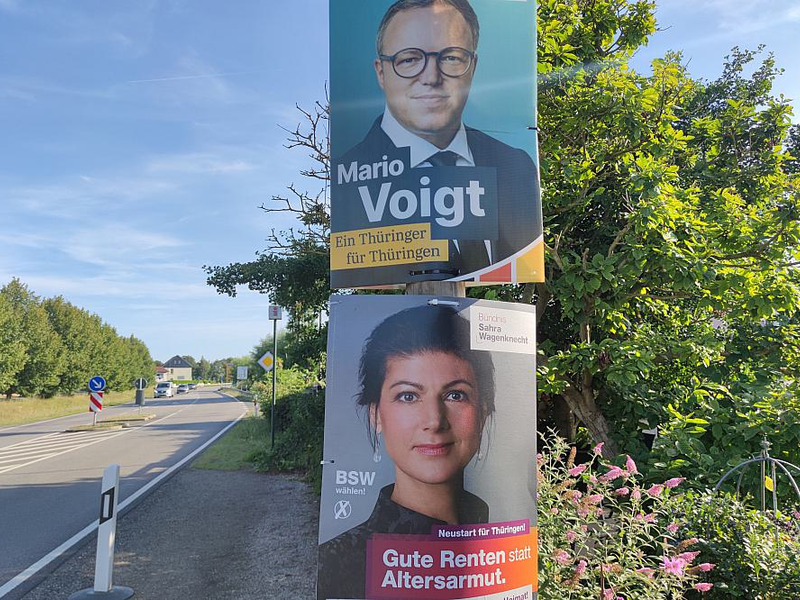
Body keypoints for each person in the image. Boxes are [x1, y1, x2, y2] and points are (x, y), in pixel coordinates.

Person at [333, 0, 541, 281]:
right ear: (381, 72)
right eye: (409, 59)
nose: (431, 77)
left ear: (473, 66)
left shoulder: (515, 166)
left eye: (451, 57)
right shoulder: (349, 179)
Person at [317, 305, 495, 600]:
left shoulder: (506, 547)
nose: (434, 421)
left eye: (455, 395)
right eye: (408, 396)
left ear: (483, 414)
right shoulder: (337, 563)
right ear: (376, 415)